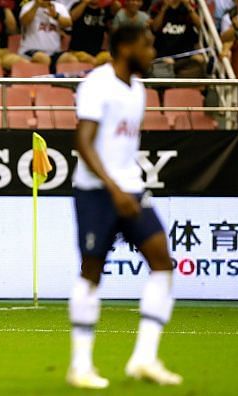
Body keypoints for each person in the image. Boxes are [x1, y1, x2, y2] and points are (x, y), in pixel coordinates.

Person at [67, 25, 182, 389]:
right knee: (92, 272)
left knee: (162, 261)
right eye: (147, 45)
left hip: (130, 188)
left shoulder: (139, 89)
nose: (153, 52)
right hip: (96, 192)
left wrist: (126, 187)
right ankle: (80, 366)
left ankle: (144, 359)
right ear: (125, 47)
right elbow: (83, 142)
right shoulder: (97, 85)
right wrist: (113, 188)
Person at [150, 0, 204, 78]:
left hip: (184, 53)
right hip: (163, 53)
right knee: (166, 68)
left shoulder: (188, 6)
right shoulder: (159, 5)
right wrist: (164, 9)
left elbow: (199, 26)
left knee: (200, 59)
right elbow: (155, 28)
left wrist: (188, 6)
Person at [18, 0, 72, 69]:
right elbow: (24, 22)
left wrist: (56, 16)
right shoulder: (28, 6)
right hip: (30, 50)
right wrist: (36, 6)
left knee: (70, 59)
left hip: (54, 52)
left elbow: (68, 24)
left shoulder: (59, 7)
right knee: (43, 59)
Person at [59, 0, 115, 66]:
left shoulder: (104, 9)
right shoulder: (78, 5)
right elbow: (71, 19)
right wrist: (85, 3)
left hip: (97, 52)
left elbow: (115, 11)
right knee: (92, 61)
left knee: (110, 59)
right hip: (77, 52)